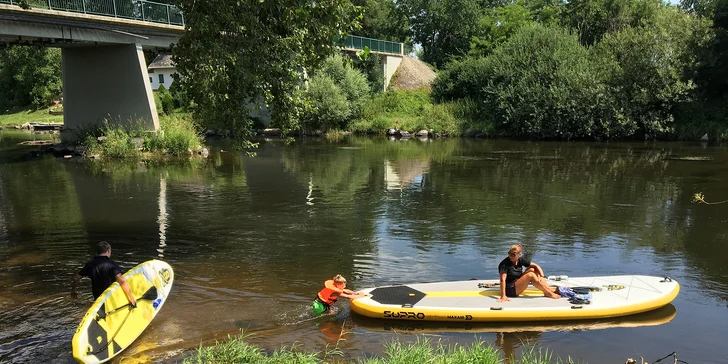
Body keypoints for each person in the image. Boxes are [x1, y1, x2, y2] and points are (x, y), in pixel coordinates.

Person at [71, 241, 136, 307]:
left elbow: (75, 279)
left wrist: (73, 291)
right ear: (108, 250)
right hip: (111, 296)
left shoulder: (89, 265)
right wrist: (131, 298)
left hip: (97, 297)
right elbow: (122, 282)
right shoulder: (112, 264)